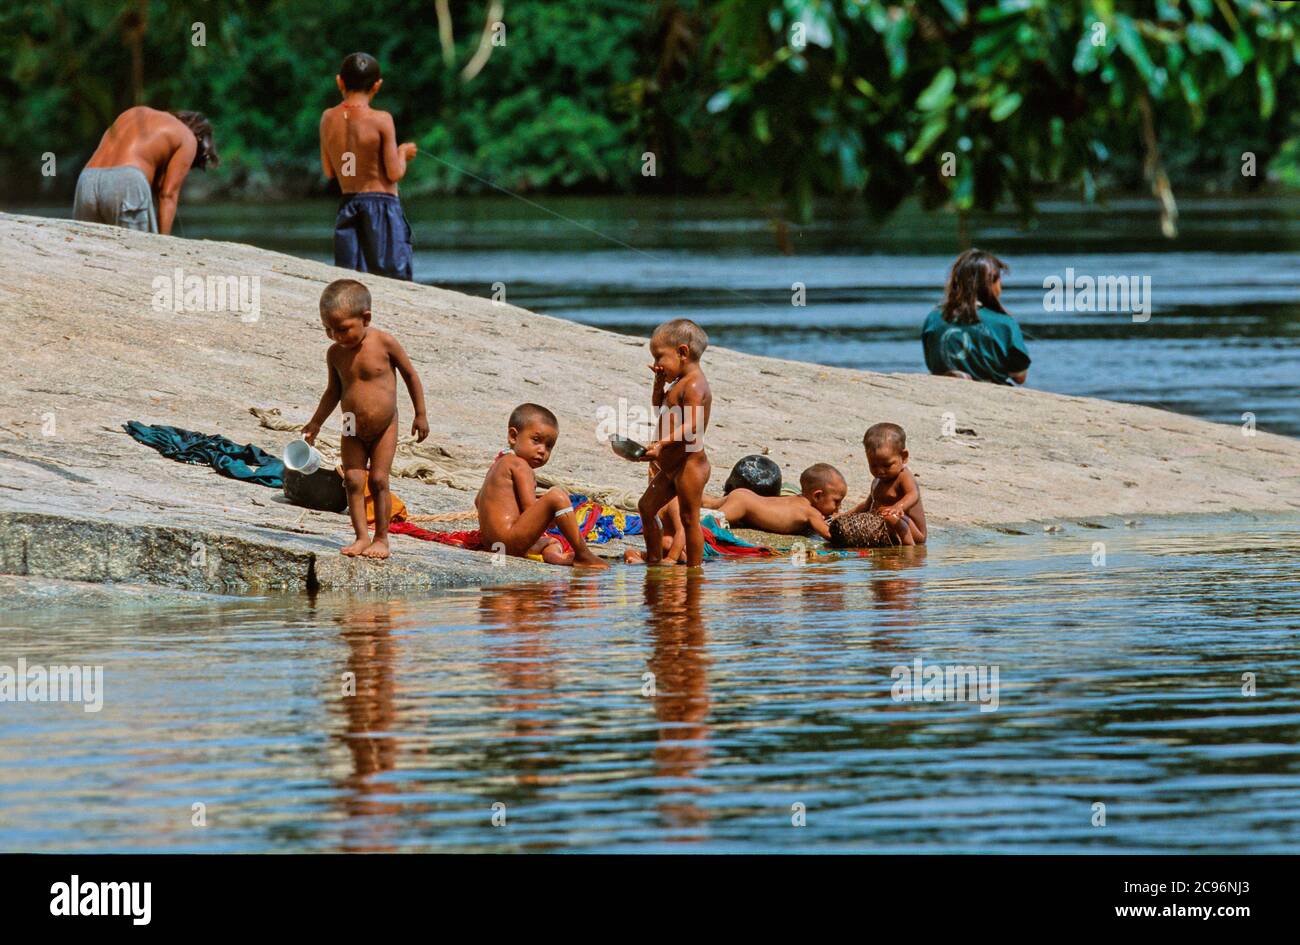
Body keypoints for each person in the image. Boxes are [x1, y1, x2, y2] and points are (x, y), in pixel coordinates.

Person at [302, 279, 429, 558]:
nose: (336, 336)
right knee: (353, 480)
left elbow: (410, 375)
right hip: (350, 424)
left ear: (366, 318)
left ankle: (381, 538)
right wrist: (315, 423)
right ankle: (361, 537)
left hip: (385, 425)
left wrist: (420, 414)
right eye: (328, 329)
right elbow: (333, 391)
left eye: (343, 329)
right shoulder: (335, 354)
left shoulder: (384, 343)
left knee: (380, 480)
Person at [320, 52, 417, 281]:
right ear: (377, 85)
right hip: (382, 209)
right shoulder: (381, 119)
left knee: (352, 281)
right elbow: (394, 173)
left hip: (348, 206)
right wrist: (402, 153)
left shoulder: (328, 118)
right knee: (393, 280)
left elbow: (329, 171)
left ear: (339, 82)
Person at [474, 404, 608, 568]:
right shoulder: (520, 466)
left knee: (550, 542)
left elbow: (478, 500)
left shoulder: (499, 464)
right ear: (513, 436)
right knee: (557, 495)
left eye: (549, 446)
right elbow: (530, 509)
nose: (542, 450)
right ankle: (583, 554)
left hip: (495, 547)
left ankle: (556, 558)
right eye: (536, 440)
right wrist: (552, 516)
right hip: (509, 543)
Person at [637, 319, 712, 567]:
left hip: (690, 464)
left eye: (659, 357)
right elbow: (659, 408)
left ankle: (695, 572)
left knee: (689, 518)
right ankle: (655, 561)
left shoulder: (694, 385)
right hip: (671, 466)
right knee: (646, 507)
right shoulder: (676, 384)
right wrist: (658, 385)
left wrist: (661, 444)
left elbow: (692, 425)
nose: (657, 364)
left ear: (682, 352)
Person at [73, 106, 217, 235]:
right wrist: (163, 242)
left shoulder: (135, 112)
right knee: (136, 254)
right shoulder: (188, 137)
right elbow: (167, 195)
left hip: (87, 179)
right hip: (126, 180)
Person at [921, 249, 1031, 385]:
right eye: (999, 280)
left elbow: (932, 364)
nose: (1000, 286)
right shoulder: (1004, 323)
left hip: (943, 387)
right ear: (991, 284)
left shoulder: (933, 319)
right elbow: (1019, 377)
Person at [707, 463, 846, 539]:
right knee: (710, 522)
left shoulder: (796, 499)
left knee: (710, 504)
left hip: (744, 495)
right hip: (744, 505)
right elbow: (829, 534)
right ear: (817, 496)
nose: (838, 508)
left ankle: (688, 499)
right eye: (837, 502)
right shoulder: (811, 513)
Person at [843, 423, 927, 545]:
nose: (880, 471)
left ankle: (909, 549)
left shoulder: (903, 476)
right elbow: (866, 505)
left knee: (890, 517)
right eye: (873, 465)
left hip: (913, 532)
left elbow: (913, 494)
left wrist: (898, 507)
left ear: (903, 457)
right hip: (888, 527)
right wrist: (844, 516)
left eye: (887, 465)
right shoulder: (877, 480)